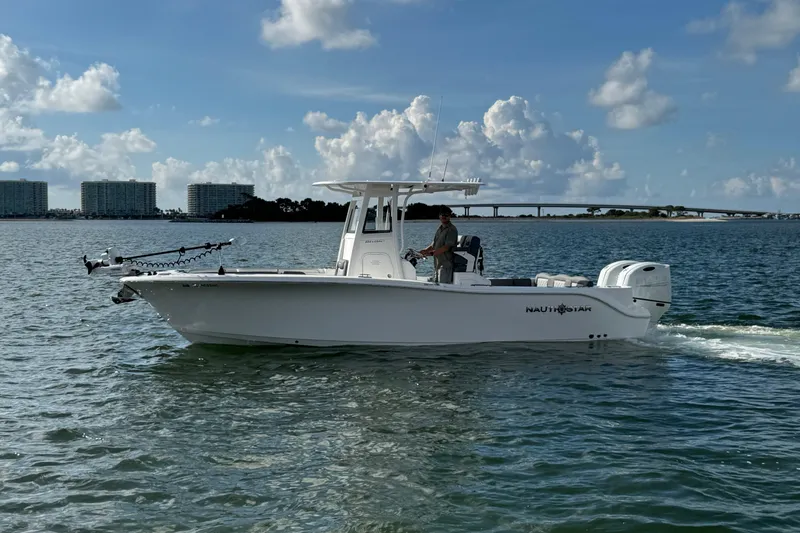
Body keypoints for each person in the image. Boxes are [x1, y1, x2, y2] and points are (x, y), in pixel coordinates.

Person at [420, 206, 458, 283]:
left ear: (450, 216)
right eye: (442, 215)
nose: (444, 217)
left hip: (446, 265)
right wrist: (425, 251)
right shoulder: (439, 228)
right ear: (439, 216)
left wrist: (431, 253)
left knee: (444, 287)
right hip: (437, 264)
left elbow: (446, 247)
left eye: (446, 215)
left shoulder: (451, 230)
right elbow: (434, 244)